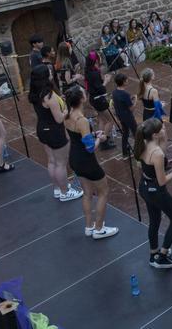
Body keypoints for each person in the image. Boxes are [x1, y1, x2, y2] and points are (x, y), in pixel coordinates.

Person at [64, 86, 118, 240]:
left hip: (74, 158)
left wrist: (93, 133)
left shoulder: (67, 115)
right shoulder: (81, 120)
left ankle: (89, 226)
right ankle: (99, 228)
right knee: (103, 192)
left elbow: (77, 136)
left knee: (87, 193)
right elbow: (90, 148)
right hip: (86, 161)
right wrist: (99, 139)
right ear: (82, 99)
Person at [135, 117, 172, 268]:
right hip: (156, 191)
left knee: (155, 221)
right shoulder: (157, 153)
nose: (165, 129)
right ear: (155, 135)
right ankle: (163, 256)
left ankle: (153, 253)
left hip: (145, 187)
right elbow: (162, 181)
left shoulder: (143, 144)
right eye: (162, 129)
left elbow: (146, 166)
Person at [29, 65, 82, 202]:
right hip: (54, 131)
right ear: (45, 77)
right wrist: (66, 110)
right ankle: (65, 192)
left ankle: (58, 188)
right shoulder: (49, 96)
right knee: (61, 163)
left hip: (42, 129)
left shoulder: (35, 93)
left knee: (52, 161)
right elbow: (59, 118)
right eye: (49, 72)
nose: (51, 73)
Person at [84, 50, 116, 150]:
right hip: (99, 99)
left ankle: (101, 139)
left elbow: (94, 85)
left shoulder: (88, 71)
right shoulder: (94, 73)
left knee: (102, 119)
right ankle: (104, 139)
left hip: (93, 99)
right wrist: (106, 81)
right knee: (111, 120)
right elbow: (101, 89)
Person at [111, 72, 137, 159]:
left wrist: (130, 99)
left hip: (120, 115)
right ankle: (139, 150)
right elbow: (131, 108)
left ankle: (124, 152)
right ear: (123, 82)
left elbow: (118, 103)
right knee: (136, 132)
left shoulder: (114, 92)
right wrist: (135, 101)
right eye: (126, 80)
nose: (127, 80)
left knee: (125, 132)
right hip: (128, 116)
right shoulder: (125, 94)